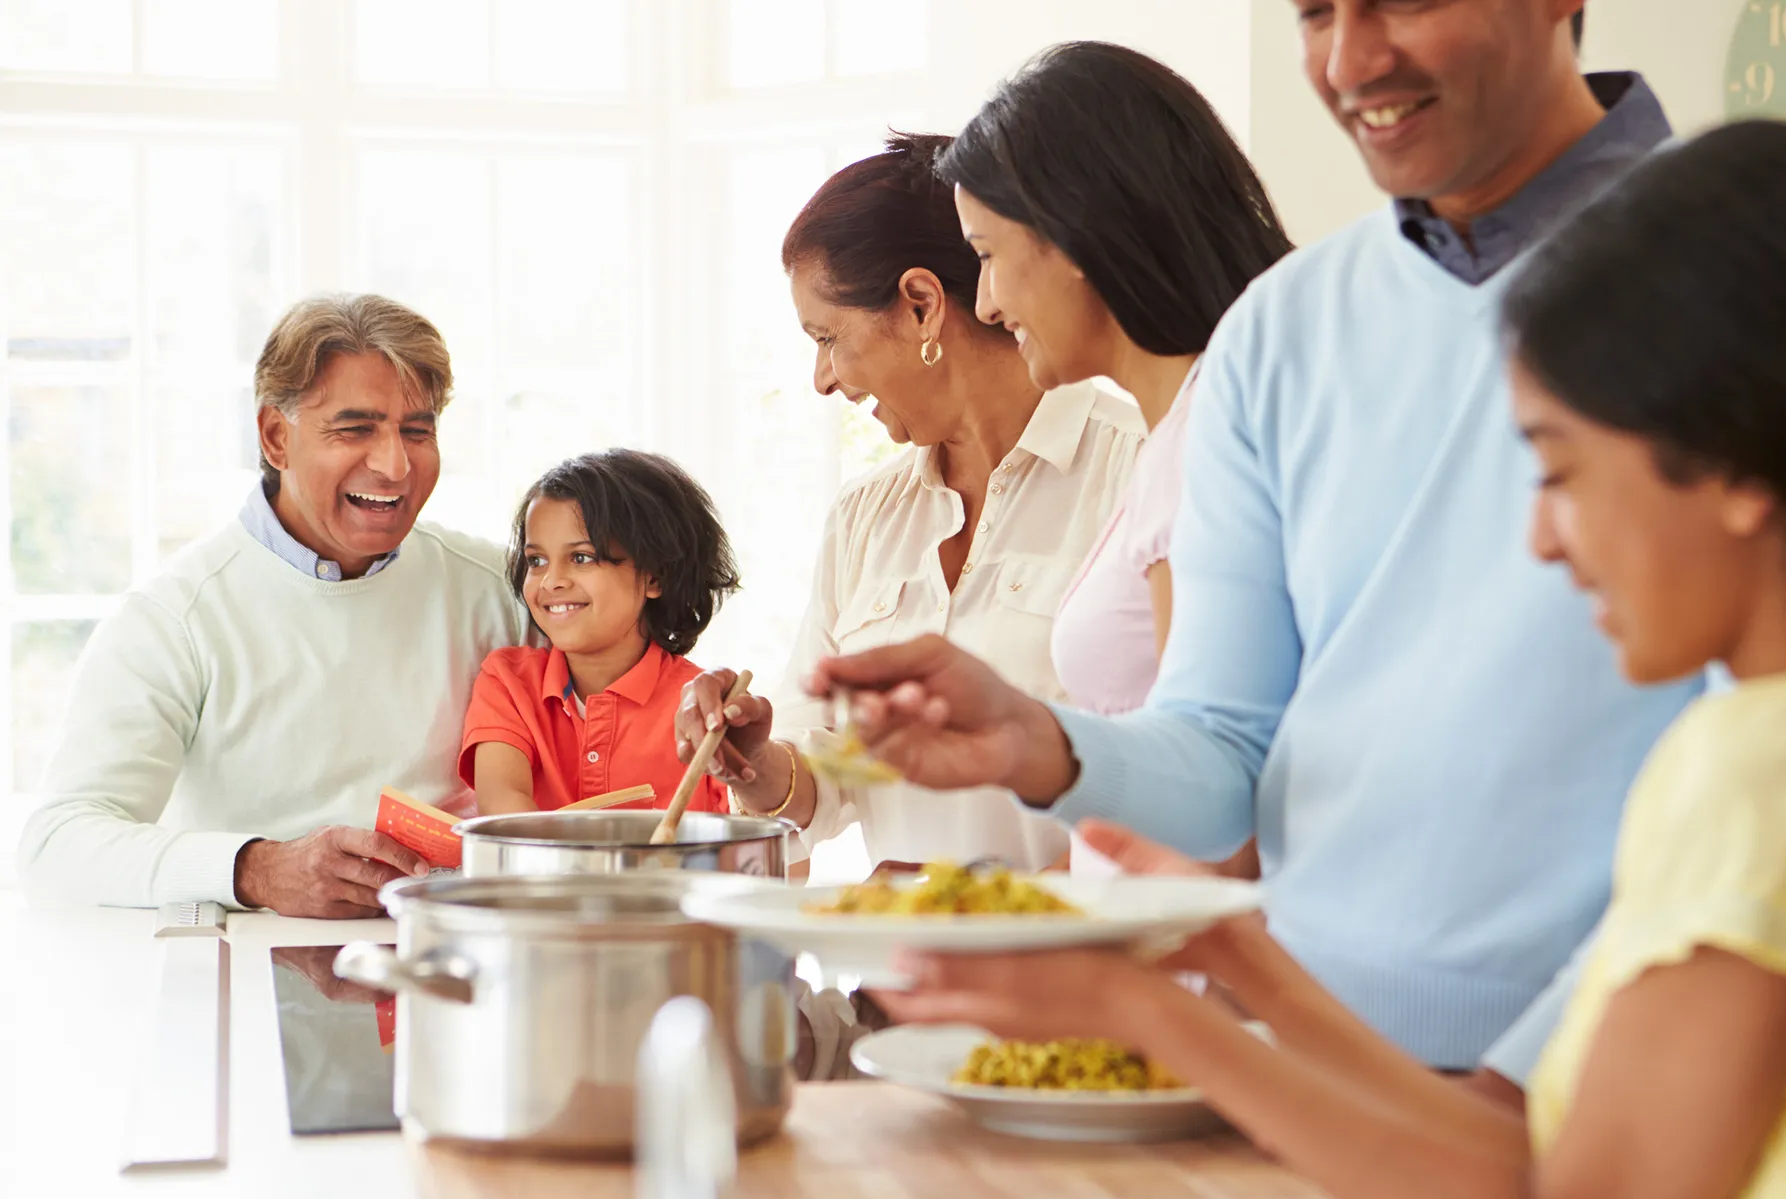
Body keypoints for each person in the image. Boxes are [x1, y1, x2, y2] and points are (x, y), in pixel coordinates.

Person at [884, 121, 1786, 1199]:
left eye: (1560, 472)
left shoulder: (1781, 771)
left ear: (1736, 468)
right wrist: (1237, 961)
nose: (1539, 539)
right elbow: (1511, 1143)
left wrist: (1142, 1013)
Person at [807, 0, 1697, 1095]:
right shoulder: (1282, 329)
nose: (1350, 59)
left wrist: (1519, 1077)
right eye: (1316, 12)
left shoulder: (1751, 268)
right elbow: (1227, 756)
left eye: (1403, 3)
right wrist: (1037, 742)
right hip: (1308, 1069)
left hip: (1614, 1076)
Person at [674, 132, 1145, 875]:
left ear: (922, 305)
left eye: (828, 337)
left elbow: (1181, 777)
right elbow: (826, 774)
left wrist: (985, 913)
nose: (822, 379)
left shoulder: (1135, 470)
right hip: (904, 980)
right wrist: (755, 760)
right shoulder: (866, 516)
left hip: (1087, 972)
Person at [18, 295, 525, 917]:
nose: (395, 464)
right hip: (250, 983)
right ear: (276, 436)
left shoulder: (504, 590)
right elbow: (56, 844)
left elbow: (639, 708)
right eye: (355, 428)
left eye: (417, 430)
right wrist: (256, 870)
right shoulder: (176, 618)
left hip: (458, 968)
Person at [939, 41, 1291, 722]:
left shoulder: (1205, 446)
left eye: (987, 255)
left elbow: (1216, 784)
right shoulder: (1183, 432)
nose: (984, 304)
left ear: (1073, 236)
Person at [462, 450, 737, 816]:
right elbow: (506, 817)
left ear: (655, 576)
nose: (552, 581)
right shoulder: (508, 682)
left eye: (581, 557)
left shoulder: (705, 708)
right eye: (536, 561)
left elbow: (773, 853)